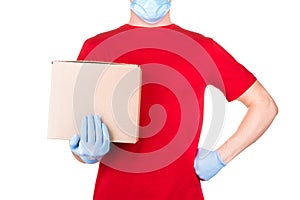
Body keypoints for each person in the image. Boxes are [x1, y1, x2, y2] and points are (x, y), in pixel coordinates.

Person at [69, 0, 278, 199]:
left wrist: (220, 158)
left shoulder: (201, 47)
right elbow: (76, 137)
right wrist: (87, 153)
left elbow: (264, 105)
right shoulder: (97, 47)